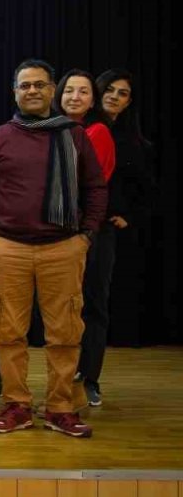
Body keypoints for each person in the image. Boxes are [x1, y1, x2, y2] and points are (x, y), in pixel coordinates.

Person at [0, 59, 107, 438]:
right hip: (8, 249)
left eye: (39, 85)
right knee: (7, 331)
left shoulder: (74, 136)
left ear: (52, 90)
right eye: (25, 85)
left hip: (63, 249)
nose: (32, 91)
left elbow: (95, 188)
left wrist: (86, 236)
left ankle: (61, 408)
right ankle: (16, 405)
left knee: (65, 333)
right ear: (14, 92)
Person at [55, 70, 115, 407]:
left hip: (87, 232)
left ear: (93, 100)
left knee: (91, 305)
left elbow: (92, 183)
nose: (75, 97)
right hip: (54, 231)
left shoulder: (98, 132)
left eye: (83, 92)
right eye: (69, 91)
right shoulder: (51, 127)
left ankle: (89, 377)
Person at [96, 69, 154, 354]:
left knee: (99, 299)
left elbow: (146, 188)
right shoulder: (81, 129)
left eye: (122, 93)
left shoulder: (134, 143)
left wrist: (128, 217)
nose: (114, 97)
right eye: (110, 90)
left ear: (129, 102)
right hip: (73, 225)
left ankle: (88, 369)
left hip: (107, 229)